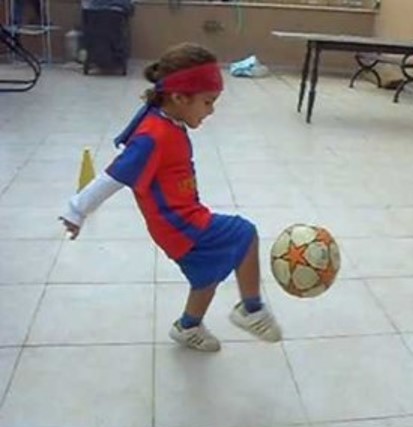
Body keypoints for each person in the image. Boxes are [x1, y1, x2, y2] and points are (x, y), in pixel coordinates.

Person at [59, 42, 282, 352]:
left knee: (206, 276)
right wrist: (76, 210)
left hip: (179, 222)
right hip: (181, 225)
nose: (212, 110)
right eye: (207, 102)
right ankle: (252, 308)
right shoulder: (153, 136)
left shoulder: (168, 121)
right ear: (178, 97)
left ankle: (188, 327)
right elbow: (113, 176)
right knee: (244, 233)